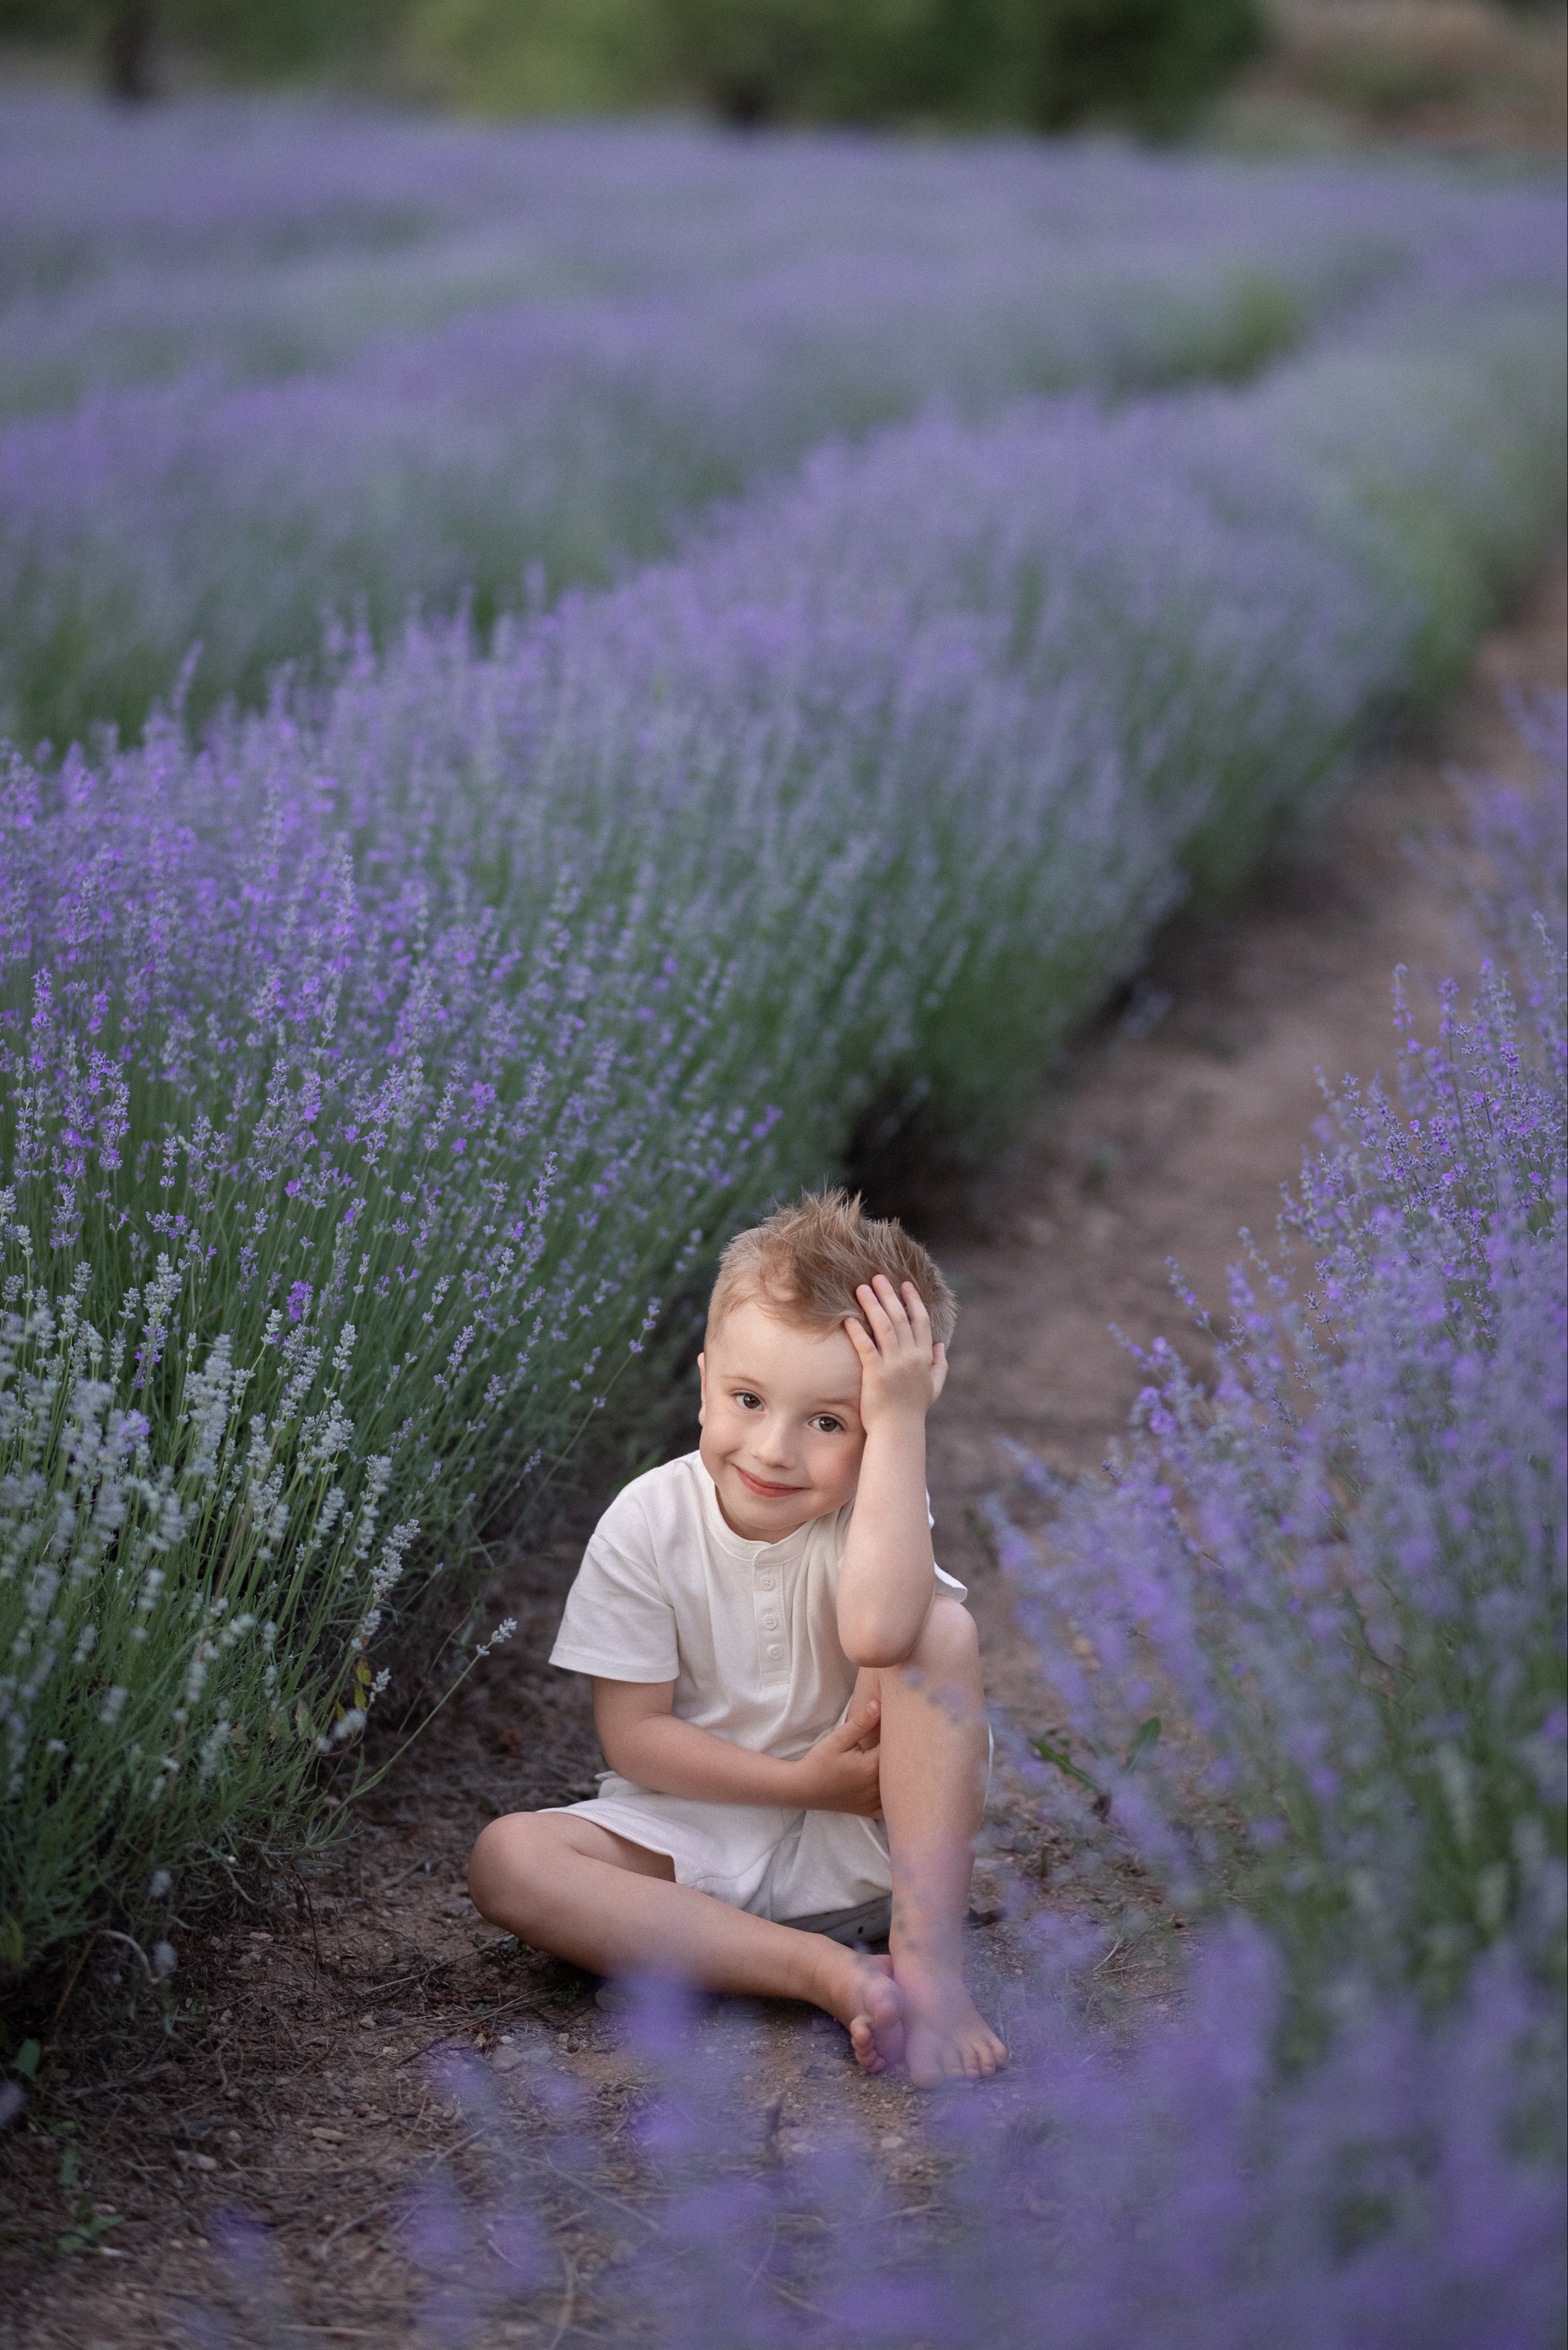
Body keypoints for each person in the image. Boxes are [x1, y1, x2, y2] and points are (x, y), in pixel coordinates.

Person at [468, 1190, 1006, 2085]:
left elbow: (880, 1627)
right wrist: (802, 1783)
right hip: (693, 1845)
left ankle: (929, 1966)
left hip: (864, 1856)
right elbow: (633, 1738)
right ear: (705, 1375)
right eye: (748, 1398)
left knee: (938, 1631)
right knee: (511, 1857)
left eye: (830, 1421)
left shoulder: (876, 1512)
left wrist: (905, 1419)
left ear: (880, 1429)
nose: (773, 1449)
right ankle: (828, 1973)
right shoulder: (647, 1520)